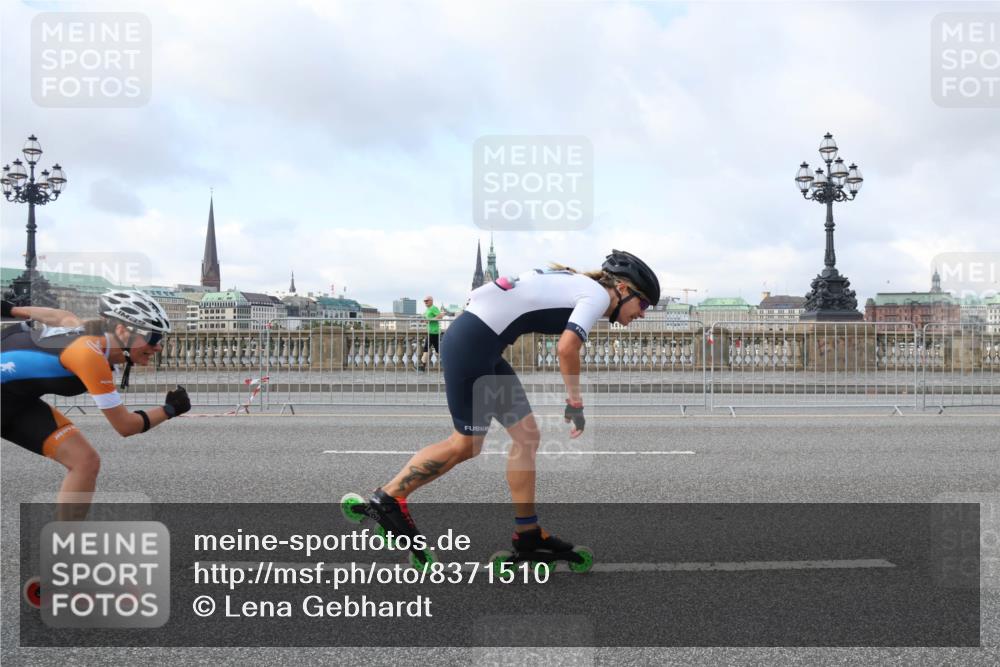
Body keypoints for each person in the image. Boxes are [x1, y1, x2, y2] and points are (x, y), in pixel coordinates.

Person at [359, 250, 659, 560]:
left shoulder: (580, 285)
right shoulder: (596, 295)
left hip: (481, 345)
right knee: (466, 444)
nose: (643, 313)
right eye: (644, 303)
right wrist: (575, 402)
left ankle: (528, 533)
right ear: (622, 289)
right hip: (471, 347)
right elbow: (567, 348)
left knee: (527, 437)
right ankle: (390, 497)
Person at [1, 290, 191, 522]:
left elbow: (56, 315)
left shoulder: (86, 330)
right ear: (122, 331)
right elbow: (125, 426)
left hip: (17, 402)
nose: (158, 346)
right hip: (9, 399)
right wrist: (169, 409)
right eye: (152, 336)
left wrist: (10, 309)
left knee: (85, 461)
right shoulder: (88, 354)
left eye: (160, 338)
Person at [418, 295, 445, 371]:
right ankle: (447, 362)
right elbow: (426, 319)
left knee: (427, 348)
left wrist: (429, 320)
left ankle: (422, 366)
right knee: (437, 349)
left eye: (427, 301)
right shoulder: (427, 309)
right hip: (430, 331)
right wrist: (423, 320)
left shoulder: (433, 308)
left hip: (434, 331)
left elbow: (440, 316)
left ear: (431, 301)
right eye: (424, 301)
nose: (425, 302)